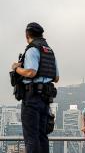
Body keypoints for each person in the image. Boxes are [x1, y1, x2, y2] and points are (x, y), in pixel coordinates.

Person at [11, 22, 59, 153]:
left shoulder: (32, 49)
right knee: (42, 136)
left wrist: (17, 68)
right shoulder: (49, 51)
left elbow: (31, 72)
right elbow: (56, 78)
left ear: (27, 35)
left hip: (32, 98)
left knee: (31, 136)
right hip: (45, 99)